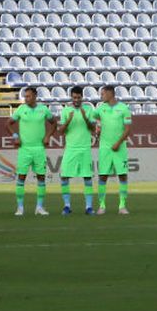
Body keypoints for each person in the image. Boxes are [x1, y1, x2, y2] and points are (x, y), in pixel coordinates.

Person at [8, 87, 56, 216]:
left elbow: (54, 123)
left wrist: (48, 136)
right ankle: (20, 208)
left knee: (41, 177)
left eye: (28, 96)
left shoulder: (43, 109)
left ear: (35, 96)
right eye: (25, 96)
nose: (26, 98)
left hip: (39, 149)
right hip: (24, 149)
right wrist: (15, 137)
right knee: (21, 177)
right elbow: (9, 123)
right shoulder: (21, 109)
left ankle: (39, 207)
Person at [94, 84, 133, 215]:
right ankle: (102, 206)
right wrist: (97, 130)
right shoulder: (100, 109)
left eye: (103, 93)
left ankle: (122, 206)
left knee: (122, 175)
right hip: (104, 147)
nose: (101, 96)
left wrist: (118, 142)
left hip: (119, 147)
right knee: (103, 176)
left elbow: (127, 129)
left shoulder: (123, 109)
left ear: (110, 94)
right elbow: (96, 121)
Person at [59, 85, 97, 215]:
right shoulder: (65, 111)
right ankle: (67, 206)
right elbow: (61, 131)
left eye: (79, 97)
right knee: (64, 177)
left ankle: (89, 207)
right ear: (71, 97)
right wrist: (68, 120)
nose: (76, 100)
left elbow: (93, 129)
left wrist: (85, 118)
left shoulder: (88, 109)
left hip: (85, 148)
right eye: (74, 97)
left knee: (87, 178)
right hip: (70, 148)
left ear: (82, 97)